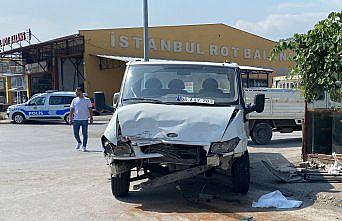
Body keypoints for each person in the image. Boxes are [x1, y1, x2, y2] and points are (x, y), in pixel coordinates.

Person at [69, 87, 93, 152]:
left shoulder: (87, 100)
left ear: (80, 92)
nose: (76, 93)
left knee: (84, 133)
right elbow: (71, 109)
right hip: (76, 119)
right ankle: (79, 142)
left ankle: (84, 146)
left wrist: (91, 118)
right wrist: (70, 118)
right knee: (75, 133)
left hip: (84, 119)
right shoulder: (74, 100)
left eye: (77, 91)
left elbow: (90, 109)